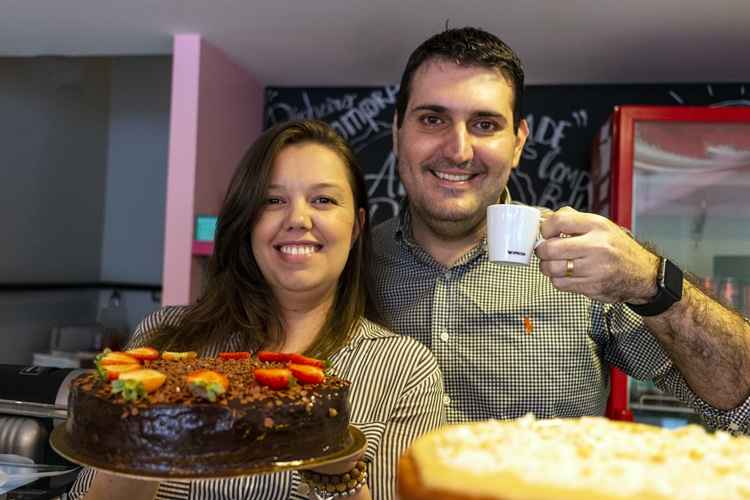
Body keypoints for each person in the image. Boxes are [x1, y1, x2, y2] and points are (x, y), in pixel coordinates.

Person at [371, 26, 750, 431]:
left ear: (518, 143)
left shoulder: (587, 258)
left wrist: (650, 279)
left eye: (485, 125)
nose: (458, 150)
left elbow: (741, 404)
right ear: (398, 133)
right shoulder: (346, 263)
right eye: (432, 119)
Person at [69, 120, 446, 500]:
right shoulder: (163, 338)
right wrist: (143, 437)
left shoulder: (405, 370)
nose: (298, 219)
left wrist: (338, 474)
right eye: (273, 200)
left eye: (323, 200)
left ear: (356, 227)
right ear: (248, 221)